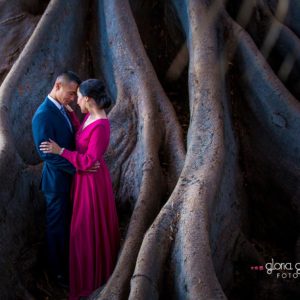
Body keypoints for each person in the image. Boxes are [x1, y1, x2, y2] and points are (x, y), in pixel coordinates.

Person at [39, 79, 120, 299]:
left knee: (84, 230)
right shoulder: (89, 116)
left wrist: (60, 151)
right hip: (82, 179)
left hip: (92, 183)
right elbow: (80, 133)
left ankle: (89, 279)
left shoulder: (102, 125)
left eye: (78, 97)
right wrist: (72, 116)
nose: (75, 101)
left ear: (89, 99)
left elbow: (87, 161)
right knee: (79, 227)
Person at [32, 71, 99, 287]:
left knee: (71, 225)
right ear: (57, 85)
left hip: (73, 181)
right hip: (57, 184)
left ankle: (72, 266)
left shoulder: (64, 109)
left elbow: (73, 139)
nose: (73, 99)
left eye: (75, 95)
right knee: (57, 228)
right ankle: (58, 274)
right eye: (70, 94)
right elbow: (47, 155)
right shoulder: (43, 115)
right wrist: (78, 169)